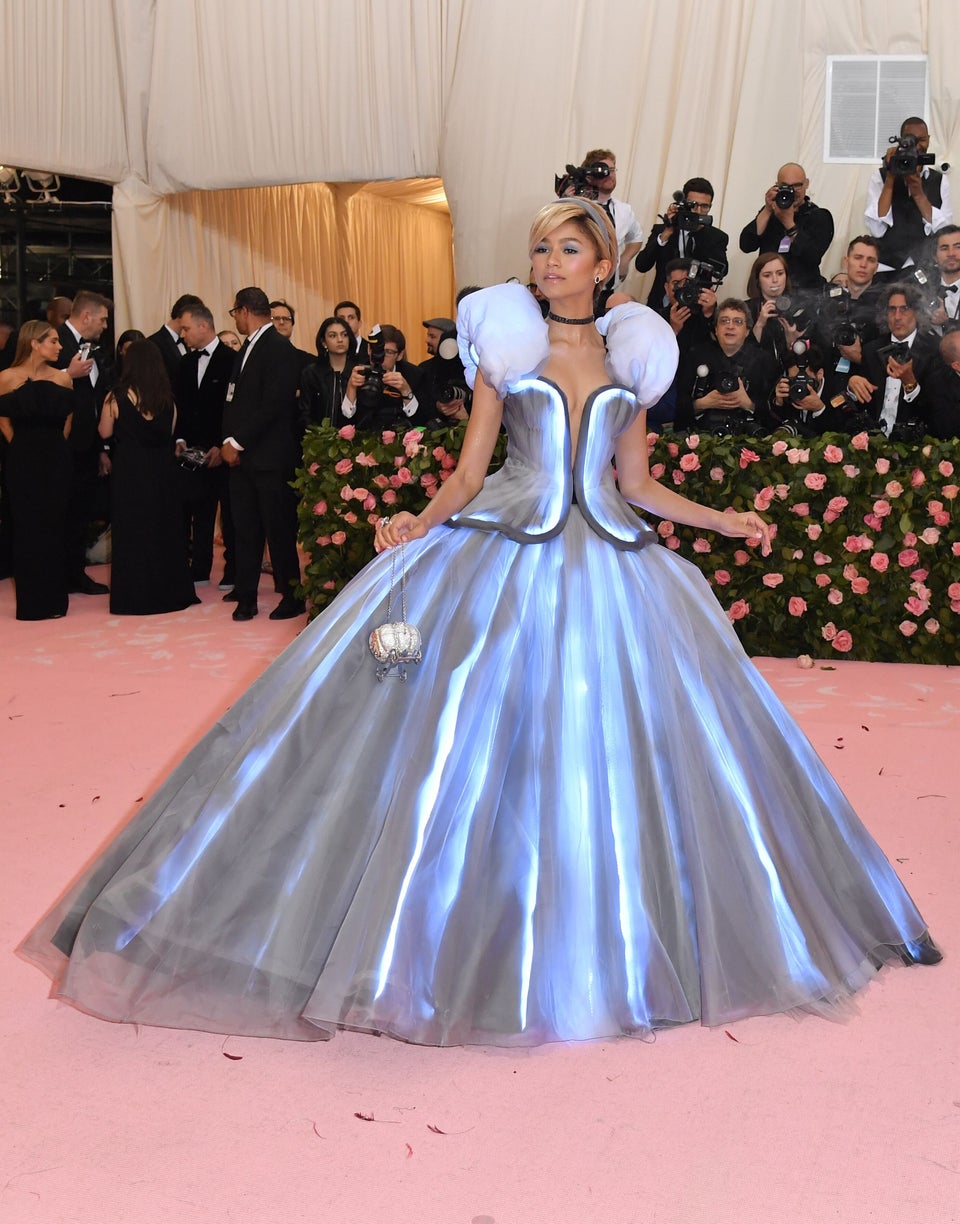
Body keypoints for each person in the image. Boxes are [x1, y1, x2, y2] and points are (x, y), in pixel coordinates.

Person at [20, 199, 939, 1048]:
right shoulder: (505, 347)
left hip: (615, 562)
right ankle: (461, 936)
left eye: (567, 249)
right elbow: (467, 474)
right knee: (463, 736)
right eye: (540, 248)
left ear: (605, 263)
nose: (547, 261)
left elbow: (639, 484)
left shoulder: (635, 358)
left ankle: (610, 940)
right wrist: (415, 523)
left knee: (626, 747)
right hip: (509, 549)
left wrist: (725, 520)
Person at [221, 286, 304, 622]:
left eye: (234, 313)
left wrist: (236, 441)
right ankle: (247, 594)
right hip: (244, 456)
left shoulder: (278, 348)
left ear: (243, 311)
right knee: (245, 528)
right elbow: (236, 400)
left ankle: (292, 594)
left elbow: (275, 403)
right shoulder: (250, 347)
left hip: (269, 456)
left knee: (278, 529)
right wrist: (231, 440)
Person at [99, 340, 199, 615]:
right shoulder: (168, 399)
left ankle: (135, 596)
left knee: (132, 532)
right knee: (164, 529)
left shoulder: (115, 397)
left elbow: (104, 432)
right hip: (163, 472)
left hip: (130, 473)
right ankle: (167, 591)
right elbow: (170, 434)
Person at [0, 322, 73, 619]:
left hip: (56, 460)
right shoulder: (6, 378)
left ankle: (56, 601)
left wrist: (54, 448)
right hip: (22, 461)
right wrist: (19, 445)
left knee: (56, 525)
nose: (59, 347)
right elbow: (3, 419)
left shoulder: (63, 379)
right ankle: (32, 604)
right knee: (27, 528)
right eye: (53, 341)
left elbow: (69, 420)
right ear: (34, 343)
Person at [173, 305, 236, 586]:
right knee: (193, 510)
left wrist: (221, 445)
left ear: (203, 326)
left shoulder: (232, 360)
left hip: (223, 451)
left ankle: (233, 571)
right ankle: (197, 569)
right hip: (190, 453)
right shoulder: (184, 363)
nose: (182, 334)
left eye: (185, 328)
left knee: (231, 515)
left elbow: (233, 409)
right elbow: (181, 407)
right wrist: (179, 439)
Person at [56, 290, 113, 596]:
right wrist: (67, 373)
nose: (106, 325)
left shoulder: (94, 349)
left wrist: (101, 449)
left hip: (87, 446)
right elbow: (30, 382)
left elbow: (94, 399)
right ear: (87, 316)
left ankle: (75, 574)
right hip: (60, 445)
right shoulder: (52, 340)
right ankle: (61, 576)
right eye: (103, 319)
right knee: (61, 513)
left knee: (80, 513)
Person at [846, 282, 941, 439]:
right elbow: (861, 405)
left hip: (916, 445)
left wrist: (910, 383)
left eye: (904, 309)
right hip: (872, 443)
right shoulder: (871, 350)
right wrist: (852, 386)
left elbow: (936, 411)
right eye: (892, 309)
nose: (897, 317)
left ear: (917, 312)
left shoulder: (933, 351)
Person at [864, 117, 952, 276]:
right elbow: (876, 230)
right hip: (886, 268)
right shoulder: (880, 177)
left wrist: (918, 193)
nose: (917, 145)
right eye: (910, 140)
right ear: (900, 140)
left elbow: (944, 233)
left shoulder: (939, 181)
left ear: (929, 140)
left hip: (924, 269)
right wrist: (891, 175)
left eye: (922, 140)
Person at [634, 177, 729, 308]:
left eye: (704, 206)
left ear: (710, 207)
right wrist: (667, 232)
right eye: (693, 205)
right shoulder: (662, 230)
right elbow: (642, 265)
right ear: (683, 204)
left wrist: (701, 232)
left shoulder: (717, 237)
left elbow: (722, 271)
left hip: (697, 306)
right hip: (662, 304)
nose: (699, 211)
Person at [738, 162, 834, 289]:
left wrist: (789, 223)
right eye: (785, 186)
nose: (792, 191)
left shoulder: (819, 216)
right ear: (777, 186)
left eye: (797, 185)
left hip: (805, 292)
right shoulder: (770, 213)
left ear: (806, 183)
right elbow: (746, 245)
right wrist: (767, 209)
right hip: (771, 290)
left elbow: (812, 256)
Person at [342, 324, 422, 429]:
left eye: (388, 352)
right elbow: (344, 424)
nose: (381, 357)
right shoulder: (356, 371)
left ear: (400, 355)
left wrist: (406, 391)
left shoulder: (414, 375)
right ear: (368, 350)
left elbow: (420, 422)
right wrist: (351, 388)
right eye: (376, 350)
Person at [299, 316, 360, 430]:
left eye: (344, 335)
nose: (340, 340)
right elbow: (305, 413)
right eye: (333, 335)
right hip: (319, 441)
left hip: (355, 442)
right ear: (323, 342)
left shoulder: (359, 371)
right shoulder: (312, 373)